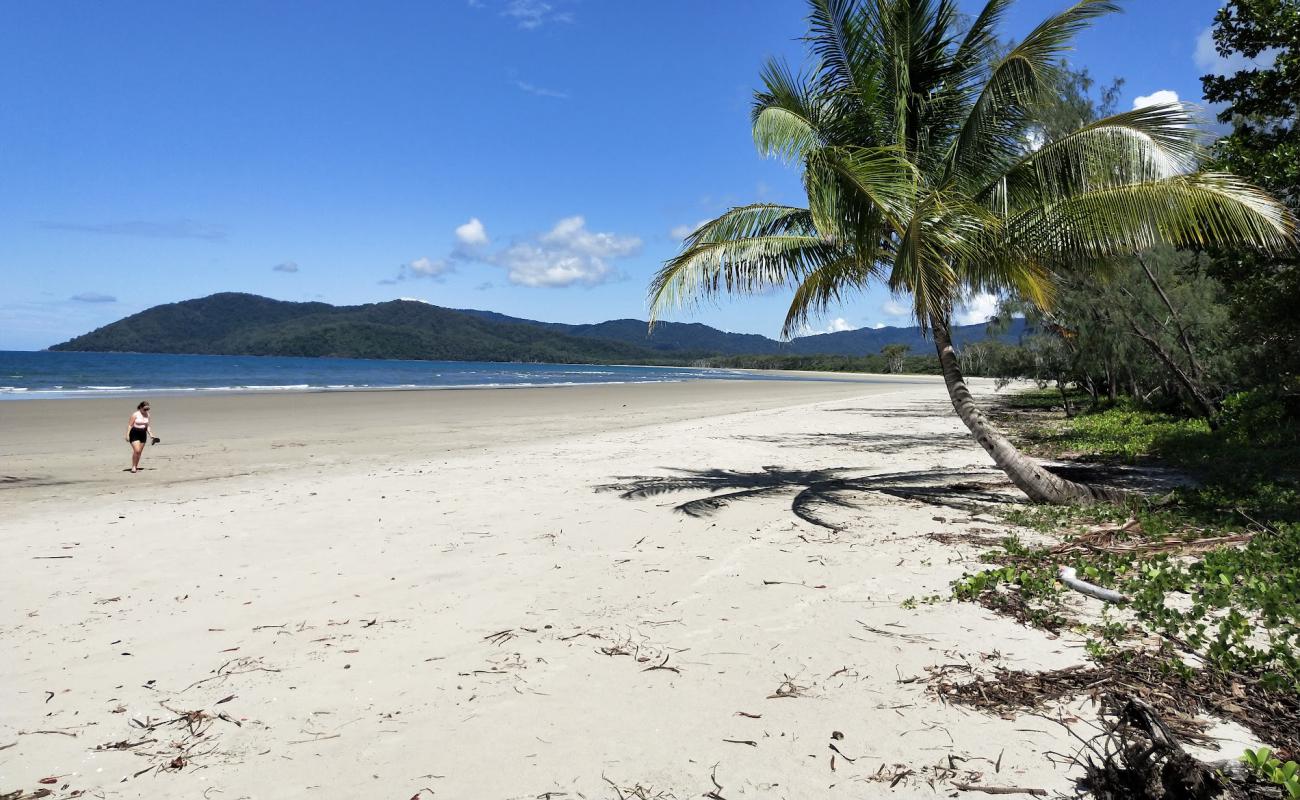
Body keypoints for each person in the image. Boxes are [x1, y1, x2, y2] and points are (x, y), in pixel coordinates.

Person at [125, 401, 157, 473]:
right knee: (137, 450)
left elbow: (147, 426)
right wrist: (127, 435)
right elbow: (130, 425)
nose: (146, 410)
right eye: (145, 409)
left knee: (139, 452)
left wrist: (151, 434)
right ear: (141, 407)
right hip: (134, 433)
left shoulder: (148, 415)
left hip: (143, 434)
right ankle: (133, 466)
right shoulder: (135, 415)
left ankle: (135, 466)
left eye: (148, 409)